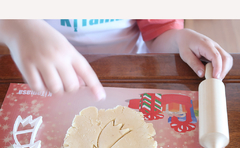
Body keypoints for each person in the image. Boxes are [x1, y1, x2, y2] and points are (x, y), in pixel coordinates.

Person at [0, 19, 233, 101]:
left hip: (132, 79)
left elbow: (158, 35)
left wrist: (181, 38)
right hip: (47, 77)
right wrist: (17, 25)